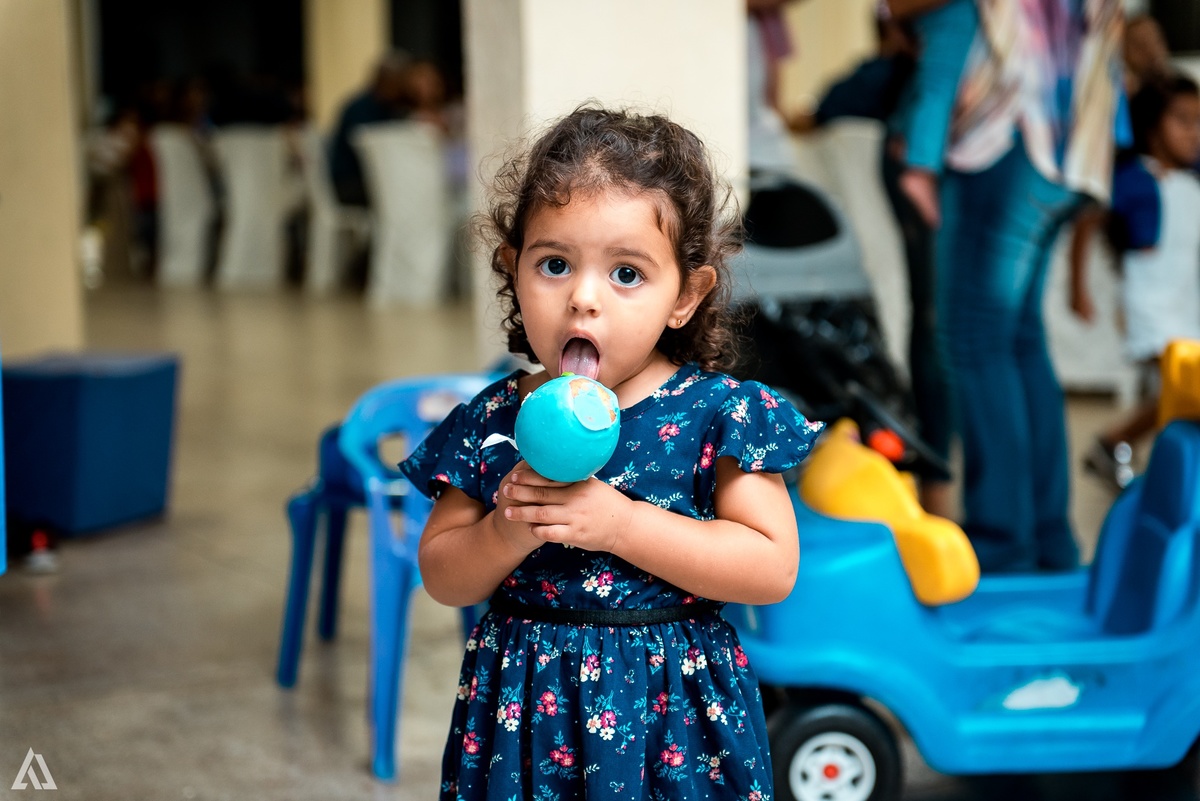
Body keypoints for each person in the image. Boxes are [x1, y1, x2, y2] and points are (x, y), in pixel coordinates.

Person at [398, 106, 823, 800]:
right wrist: (508, 527)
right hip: (526, 716)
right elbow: (444, 576)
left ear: (685, 295)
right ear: (512, 269)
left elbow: (770, 567)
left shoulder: (719, 415)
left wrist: (622, 525)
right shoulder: (494, 421)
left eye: (626, 273)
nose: (583, 299)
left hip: (674, 717)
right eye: (554, 265)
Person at [888, 0, 1125, 572]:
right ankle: (1047, 540)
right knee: (1018, 339)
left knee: (974, 338)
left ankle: (1001, 541)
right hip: (1075, 133)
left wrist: (920, 157)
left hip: (1010, 133)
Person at [1072, 75, 1200, 491]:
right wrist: (1078, 288)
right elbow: (1087, 222)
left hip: (1186, 306)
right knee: (1182, 390)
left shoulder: (1191, 179)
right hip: (1150, 306)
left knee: (1181, 394)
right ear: (1151, 126)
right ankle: (1132, 454)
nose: (1193, 133)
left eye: (1198, 122)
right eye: (1182, 121)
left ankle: (1114, 444)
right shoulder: (1133, 179)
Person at [327, 52, 411, 207]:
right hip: (349, 183)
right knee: (401, 194)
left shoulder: (394, 107)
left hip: (373, 181)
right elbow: (371, 153)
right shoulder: (360, 109)